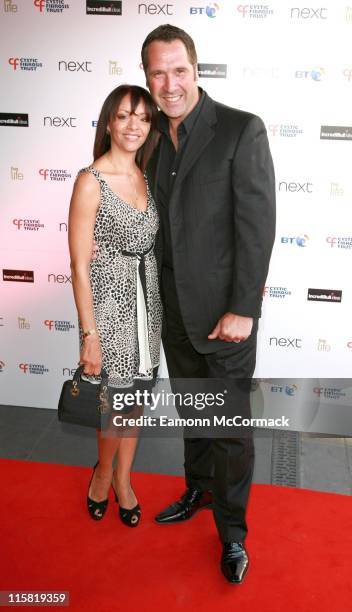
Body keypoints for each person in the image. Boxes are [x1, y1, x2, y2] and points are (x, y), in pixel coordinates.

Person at [141, 25, 276, 583]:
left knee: (229, 429)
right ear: (146, 77)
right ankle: (196, 488)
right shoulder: (145, 134)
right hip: (171, 311)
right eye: (157, 73)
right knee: (194, 414)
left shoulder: (241, 130)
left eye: (179, 70)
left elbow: (257, 225)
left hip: (225, 317)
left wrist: (243, 307)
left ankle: (233, 533)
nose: (169, 84)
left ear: (196, 69)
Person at [68, 85, 162, 527]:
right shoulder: (92, 180)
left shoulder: (148, 173)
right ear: (108, 122)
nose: (133, 126)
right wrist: (90, 335)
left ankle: (125, 479)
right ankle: (103, 474)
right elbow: (79, 265)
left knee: (137, 399)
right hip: (110, 308)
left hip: (149, 303)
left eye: (142, 119)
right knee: (115, 404)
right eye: (124, 116)